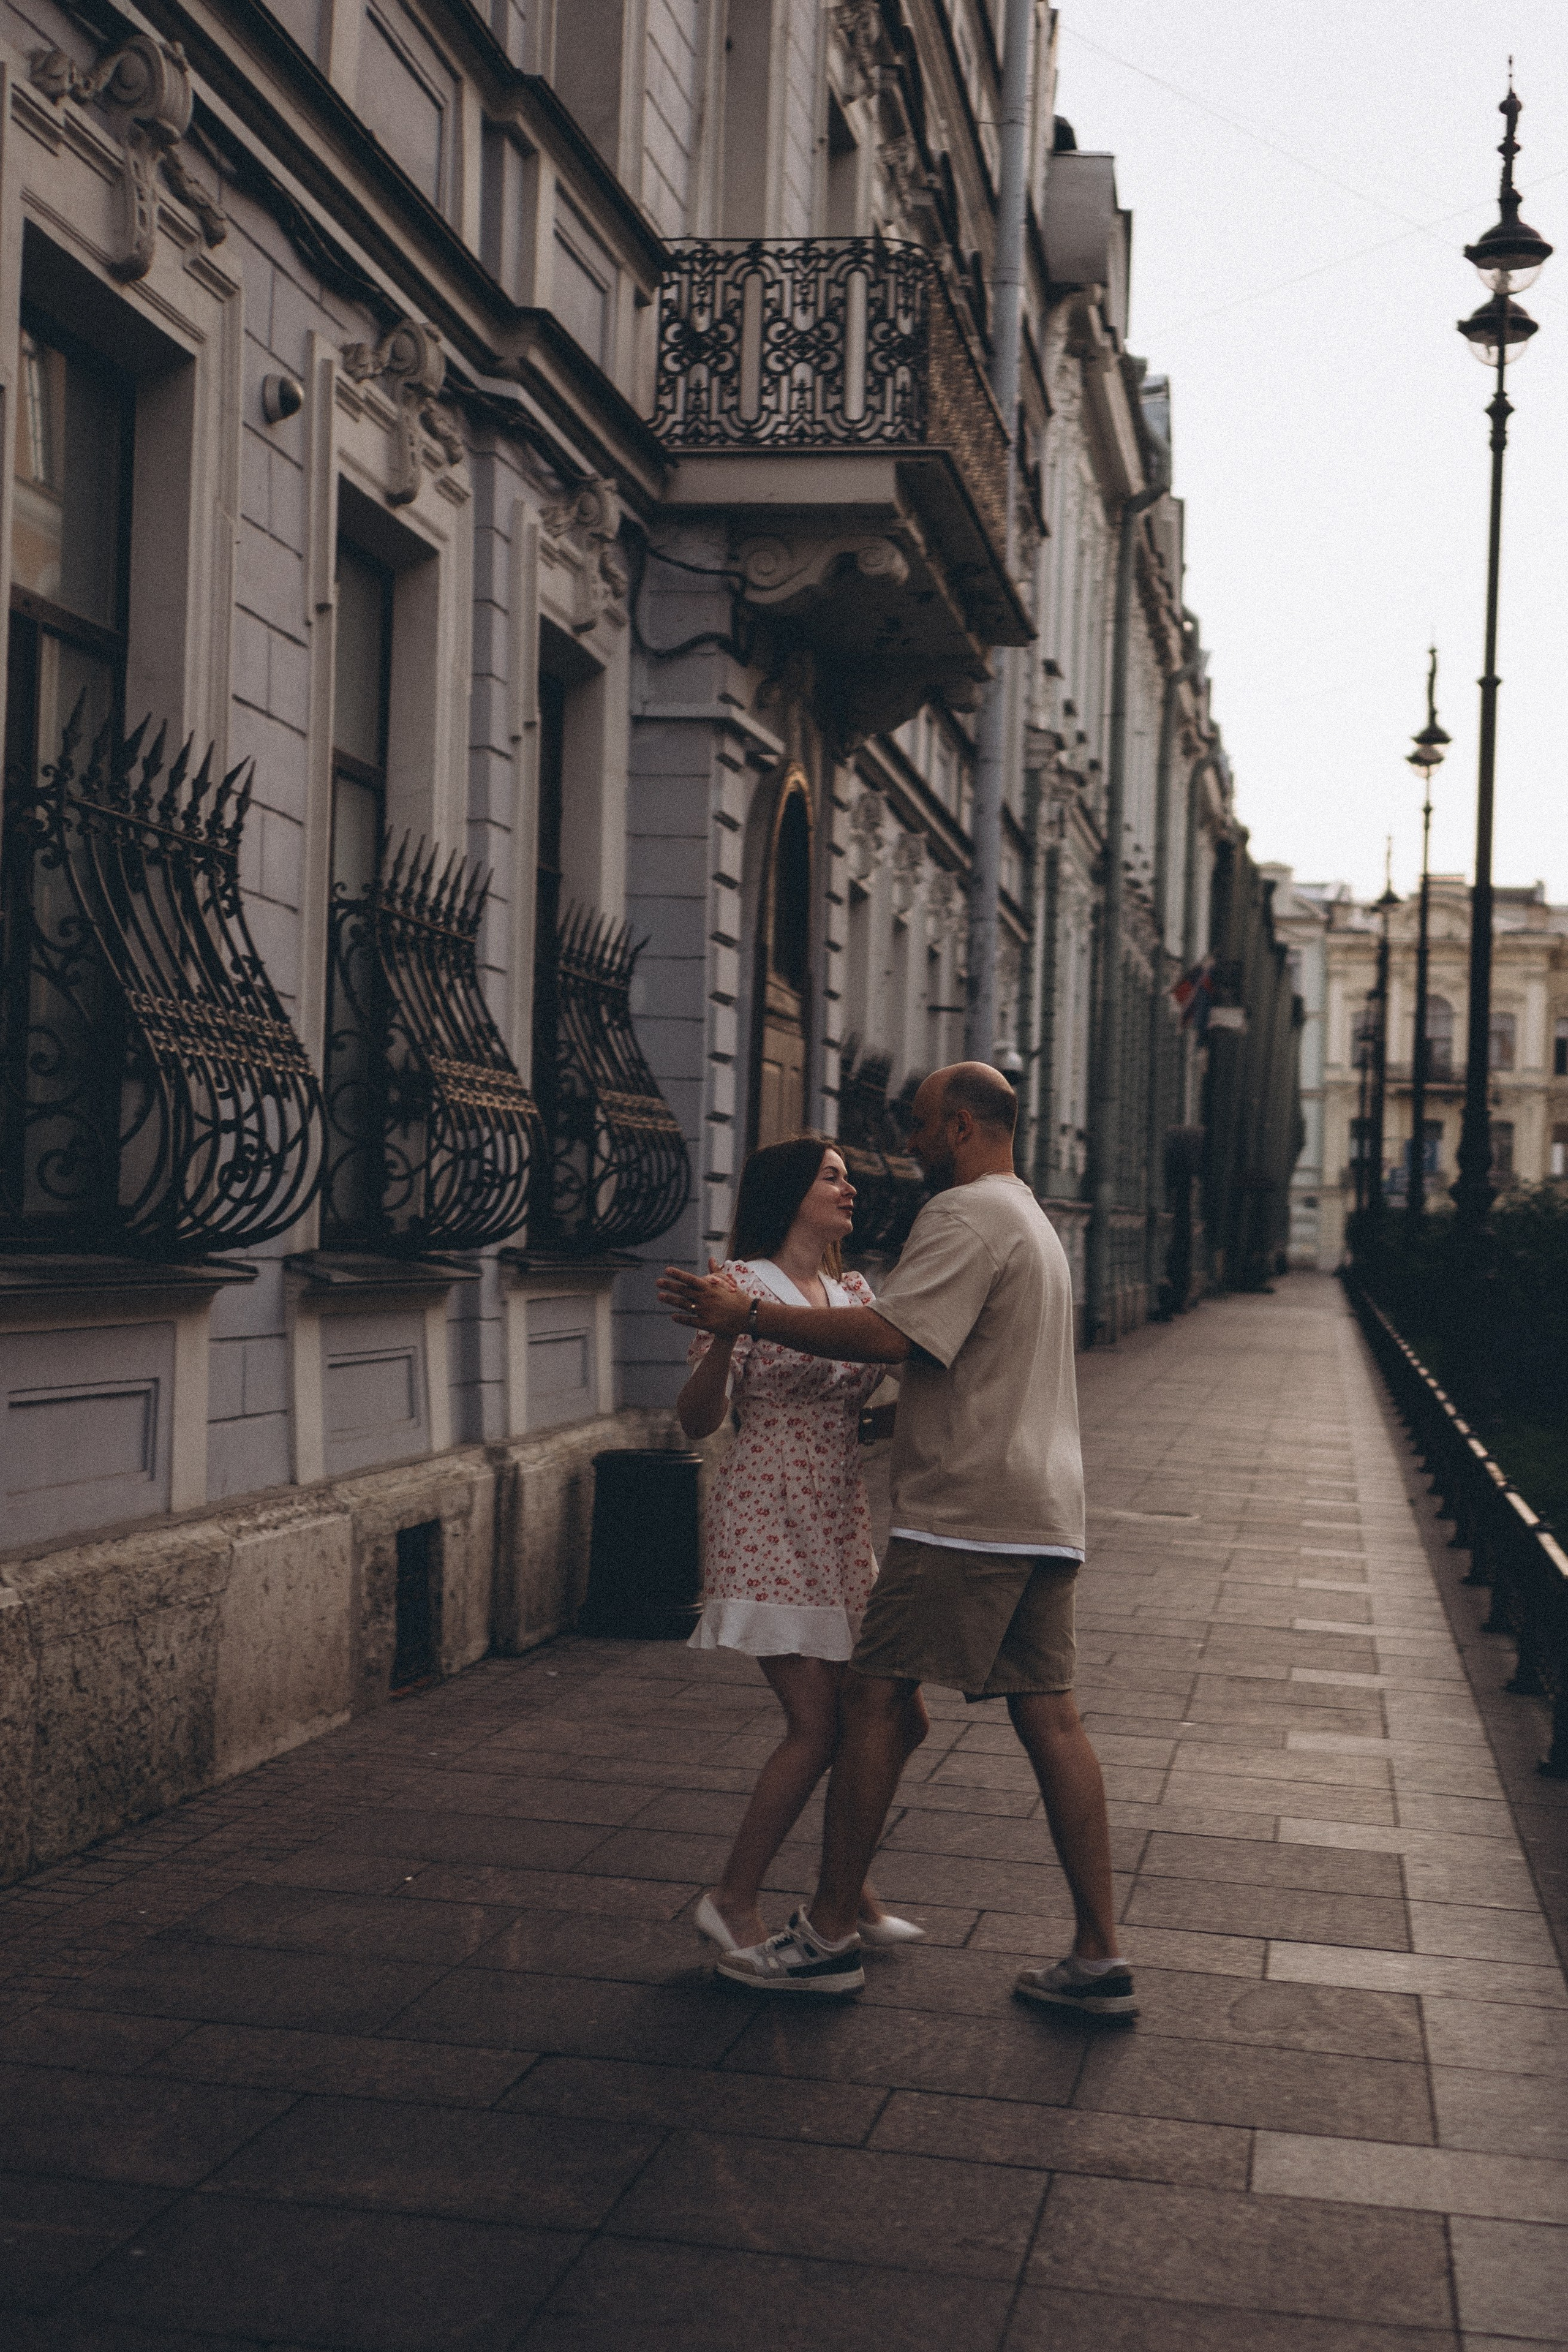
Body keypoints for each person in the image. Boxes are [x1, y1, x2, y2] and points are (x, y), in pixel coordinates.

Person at [659, 1063, 1134, 2019]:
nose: (903, 1147)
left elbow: (891, 1341)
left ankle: (827, 1935)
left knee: (871, 1706)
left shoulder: (964, 1219)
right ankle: (1096, 1956)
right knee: (1052, 1720)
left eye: (918, 1126)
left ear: (960, 1126)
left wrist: (745, 1315)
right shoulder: (1032, 1220)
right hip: (1042, 1508)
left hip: (964, 1511)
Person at [675, 1133, 925, 1955]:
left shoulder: (851, 1287)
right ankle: (733, 1899)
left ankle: (849, 1892)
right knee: (818, 1726)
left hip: (839, 1513)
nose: (848, 1188)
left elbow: (867, 1398)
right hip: (766, 1511)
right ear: (791, 1194)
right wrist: (717, 1341)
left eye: (848, 1175)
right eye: (831, 1177)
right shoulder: (740, 1284)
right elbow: (699, 1420)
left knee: (896, 1715)